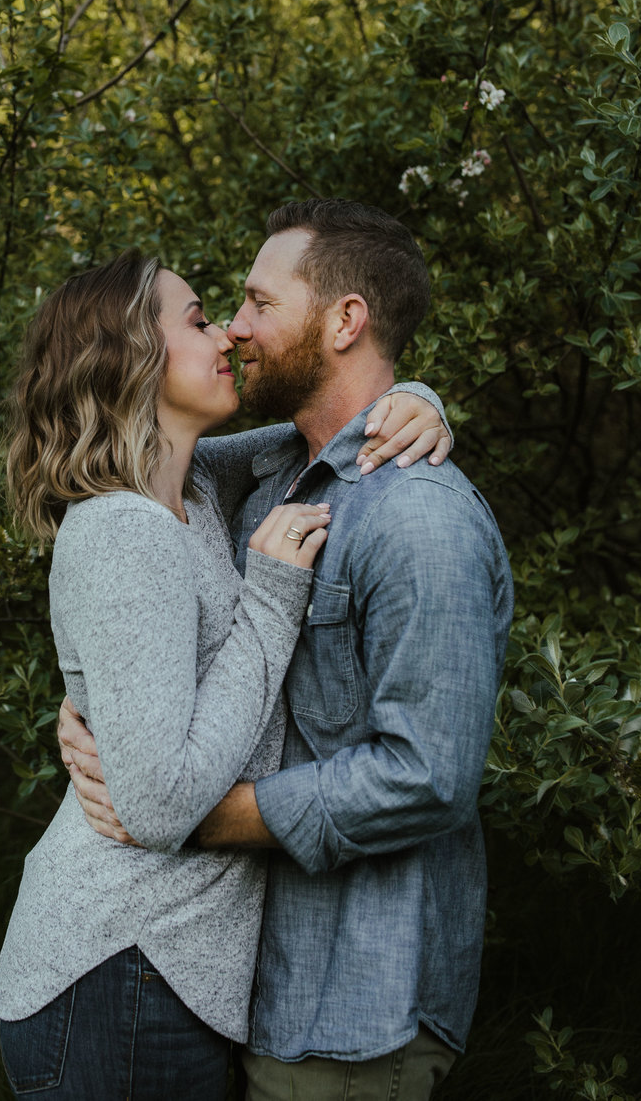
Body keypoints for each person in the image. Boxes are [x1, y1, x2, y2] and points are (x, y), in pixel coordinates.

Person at [61, 200, 514, 1101]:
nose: (235, 327)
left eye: (260, 303)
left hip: (357, 1006)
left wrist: (194, 810)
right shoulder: (260, 479)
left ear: (346, 320)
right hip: (239, 986)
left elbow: (426, 773)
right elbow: (135, 582)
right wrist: (90, 714)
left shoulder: (421, 519)